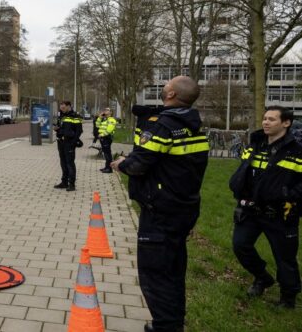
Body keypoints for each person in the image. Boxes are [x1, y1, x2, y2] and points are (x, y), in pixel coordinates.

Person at [110, 76, 209, 332]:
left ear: (172, 94)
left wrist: (122, 164)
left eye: (168, 84)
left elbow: (141, 163)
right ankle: (173, 321)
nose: (164, 85)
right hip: (183, 206)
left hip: (160, 210)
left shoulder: (163, 125)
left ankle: (166, 326)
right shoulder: (194, 124)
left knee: (155, 273)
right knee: (174, 270)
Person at [229, 106, 301, 309]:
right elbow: (244, 172)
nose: (266, 122)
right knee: (240, 246)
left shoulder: (297, 150)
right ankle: (262, 277)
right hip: (252, 210)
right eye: (265, 118)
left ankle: (288, 298)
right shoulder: (256, 144)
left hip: (281, 213)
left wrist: (288, 195)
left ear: (286, 123)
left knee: (284, 258)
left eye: (272, 119)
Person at [53, 100, 83, 192]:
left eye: (63, 107)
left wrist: (73, 142)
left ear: (69, 106)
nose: (62, 109)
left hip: (69, 143)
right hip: (60, 142)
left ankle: (72, 184)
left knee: (70, 163)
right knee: (63, 163)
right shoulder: (61, 116)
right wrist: (56, 129)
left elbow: (79, 131)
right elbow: (60, 128)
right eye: (61, 108)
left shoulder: (75, 116)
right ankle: (64, 182)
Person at [96, 107, 118, 173]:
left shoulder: (111, 120)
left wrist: (102, 134)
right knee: (105, 153)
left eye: (107, 110)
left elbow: (109, 130)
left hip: (107, 138)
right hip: (103, 138)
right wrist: (100, 117)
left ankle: (109, 169)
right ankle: (106, 167)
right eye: (105, 110)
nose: (105, 111)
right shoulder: (105, 119)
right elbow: (97, 125)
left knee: (107, 154)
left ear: (111, 112)